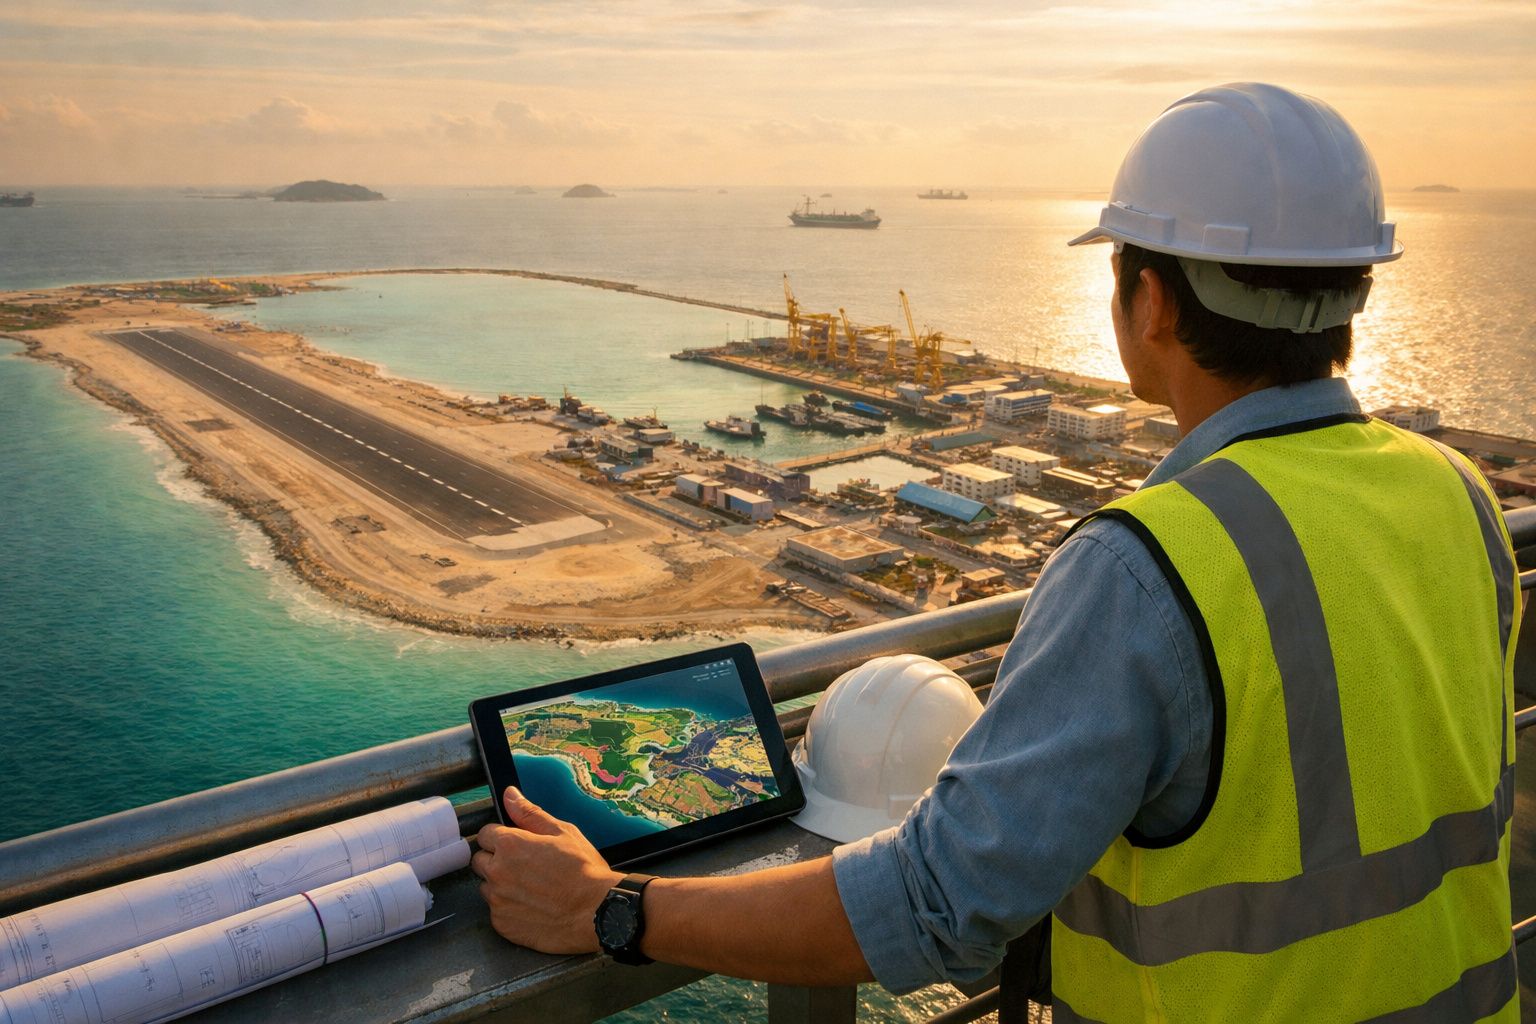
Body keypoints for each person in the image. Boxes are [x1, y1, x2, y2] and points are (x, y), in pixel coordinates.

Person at [471, 83, 1521, 1021]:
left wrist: (611, 910)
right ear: (1353, 293)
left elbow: (932, 907)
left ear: (1149, 300)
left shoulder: (1149, 567)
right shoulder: (1459, 496)